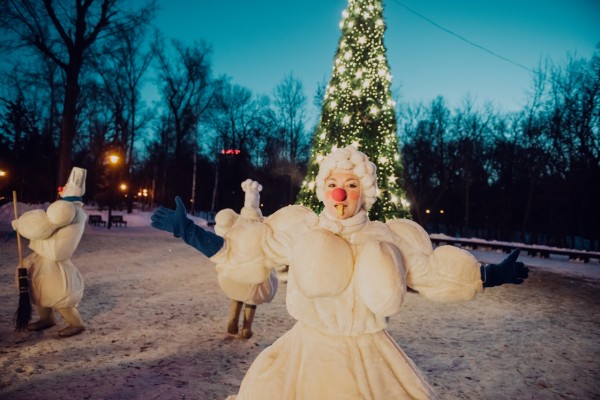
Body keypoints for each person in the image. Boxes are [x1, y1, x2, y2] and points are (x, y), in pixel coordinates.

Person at [151, 146, 527, 399]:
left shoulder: (387, 236)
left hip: (369, 356)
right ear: (322, 189)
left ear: (364, 192)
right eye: (333, 184)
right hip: (305, 353)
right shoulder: (301, 229)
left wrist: (488, 275)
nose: (340, 193)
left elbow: (431, 274)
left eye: (350, 185)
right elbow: (248, 254)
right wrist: (190, 232)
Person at [152, 179, 278, 339]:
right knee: (251, 300)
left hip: (234, 274)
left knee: (237, 296)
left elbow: (216, 246)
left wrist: (187, 229)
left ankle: (233, 321)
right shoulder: (264, 232)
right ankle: (246, 327)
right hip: (258, 278)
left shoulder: (235, 233)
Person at [11, 167, 88, 338]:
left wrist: (20, 225)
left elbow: (43, 228)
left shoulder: (66, 209)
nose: (60, 190)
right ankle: (46, 318)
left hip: (53, 258)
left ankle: (76, 323)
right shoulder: (70, 209)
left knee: (58, 292)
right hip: (45, 255)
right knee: (38, 287)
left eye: (63, 188)